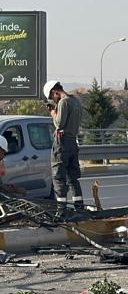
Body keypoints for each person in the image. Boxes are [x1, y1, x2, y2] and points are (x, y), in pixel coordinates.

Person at [45, 80, 84, 215]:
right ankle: (79, 208)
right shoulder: (76, 101)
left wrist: (53, 113)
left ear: (55, 92)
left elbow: (59, 124)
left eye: (52, 97)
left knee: (59, 178)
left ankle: (61, 211)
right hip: (73, 141)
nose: (53, 100)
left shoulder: (63, 102)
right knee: (73, 178)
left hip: (62, 144)